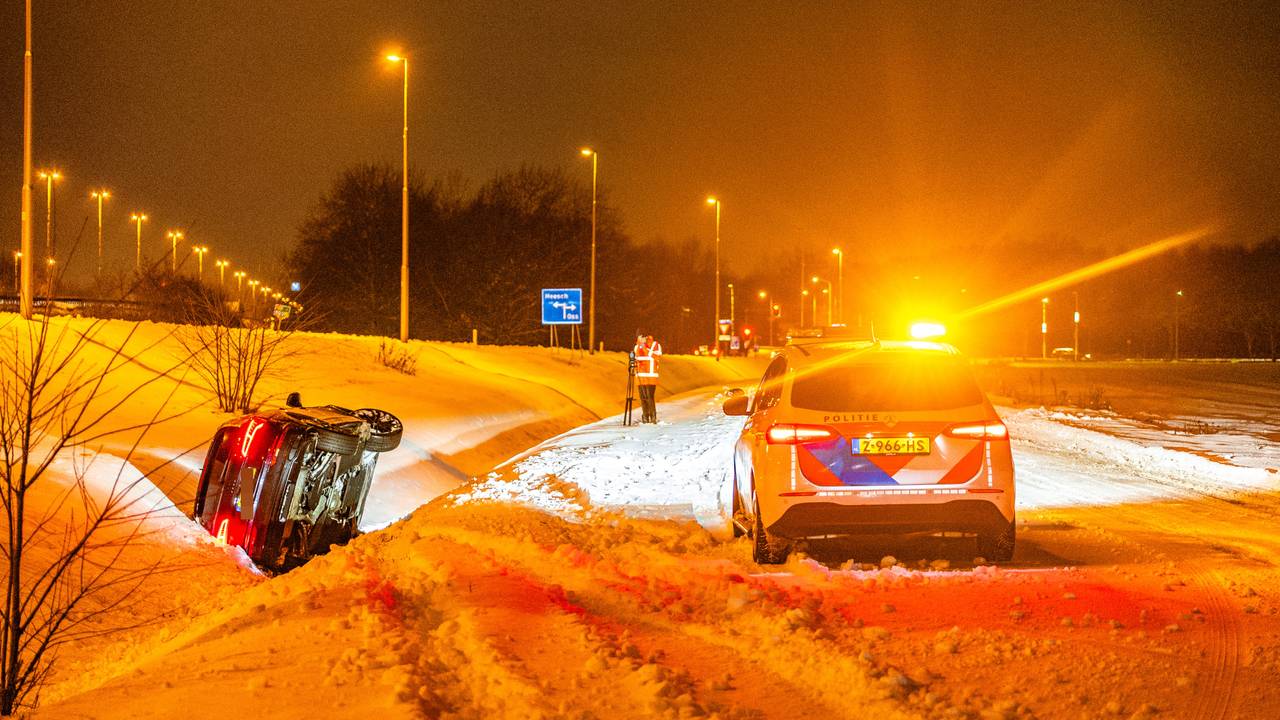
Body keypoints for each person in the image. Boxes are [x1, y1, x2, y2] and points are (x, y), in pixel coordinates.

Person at [633, 334, 663, 423]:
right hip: (640, 376)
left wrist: (643, 347)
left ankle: (653, 416)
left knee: (649, 397)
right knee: (643, 398)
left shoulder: (655, 345)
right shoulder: (637, 347)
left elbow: (656, 357)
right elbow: (635, 358)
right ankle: (645, 416)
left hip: (651, 377)